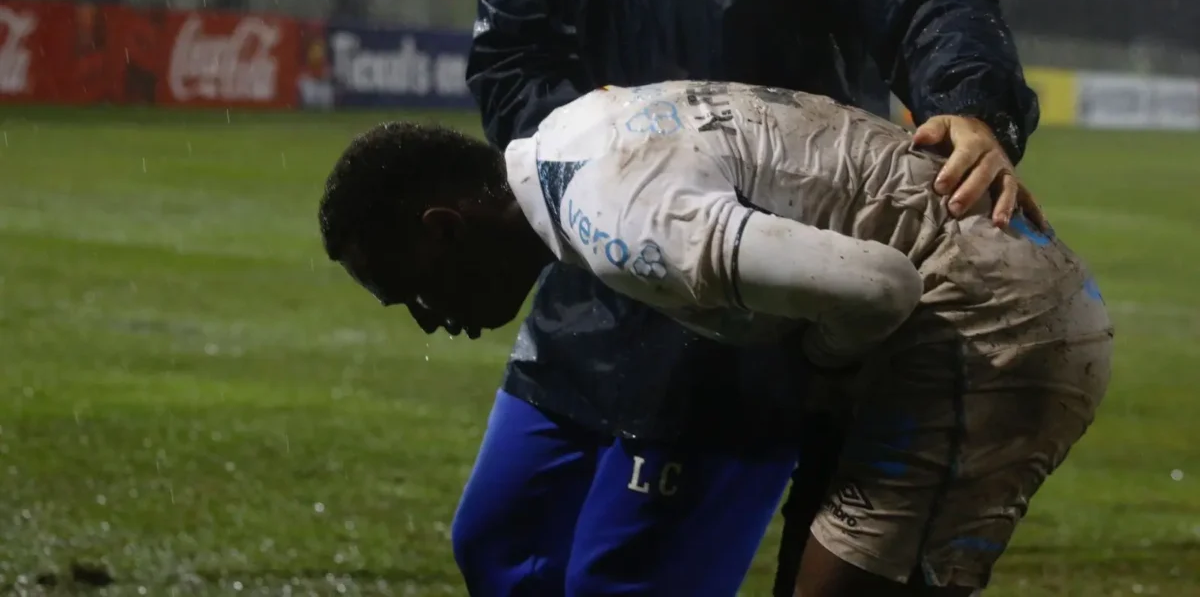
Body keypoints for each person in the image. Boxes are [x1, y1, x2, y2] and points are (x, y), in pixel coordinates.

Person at [458, 0, 1044, 594]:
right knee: (499, 542)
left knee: (629, 578)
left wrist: (971, 101)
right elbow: (509, 56)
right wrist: (595, 161)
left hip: (747, 277)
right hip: (592, 279)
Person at [317, 81, 1113, 596]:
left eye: (412, 294)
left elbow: (880, 287)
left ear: (445, 229)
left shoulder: (620, 225)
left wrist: (821, 362)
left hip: (987, 318)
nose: (431, 322)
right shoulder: (567, 135)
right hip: (988, 291)